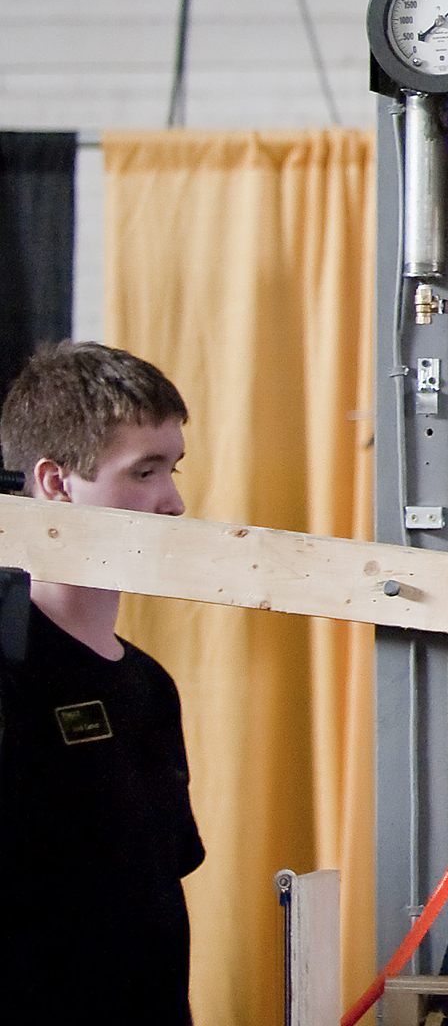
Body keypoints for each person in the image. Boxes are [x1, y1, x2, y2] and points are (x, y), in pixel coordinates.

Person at [0, 341, 204, 1023]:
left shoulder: (150, 686)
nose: (173, 503)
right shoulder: (11, 673)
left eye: (173, 469)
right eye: (143, 472)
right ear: (56, 484)